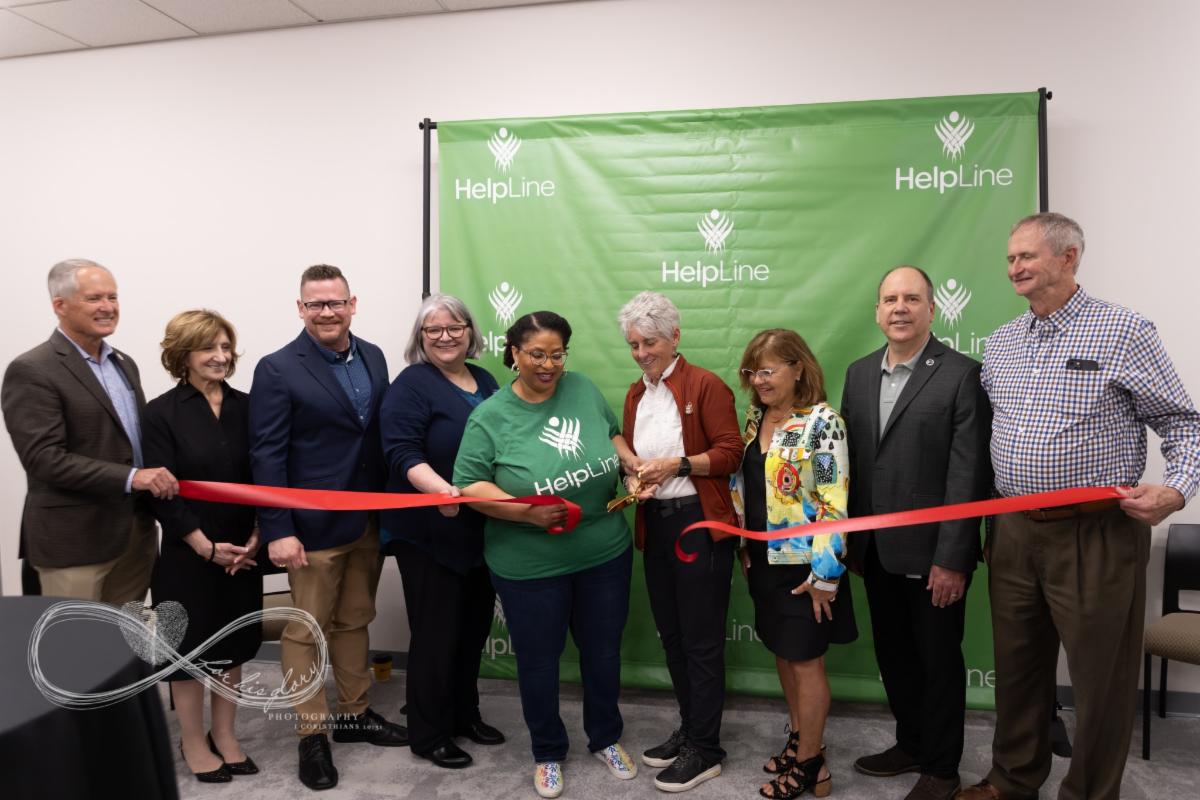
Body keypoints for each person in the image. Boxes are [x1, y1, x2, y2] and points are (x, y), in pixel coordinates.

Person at [957, 213, 1200, 800]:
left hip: (1097, 533)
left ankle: (1089, 793)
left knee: (1100, 681)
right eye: (1010, 258)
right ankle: (1014, 780)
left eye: (1027, 256)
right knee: (1018, 667)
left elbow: (1184, 424)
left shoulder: (1123, 330)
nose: (1014, 267)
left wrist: (1174, 491)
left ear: (1069, 257)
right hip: (1013, 529)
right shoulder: (1002, 342)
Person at [454, 311, 637, 800]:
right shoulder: (490, 416)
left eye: (557, 354)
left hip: (604, 553)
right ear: (513, 353)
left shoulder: (582, 388)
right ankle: (548, 751)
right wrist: (525, 513)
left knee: (603, 653)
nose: (549, 365)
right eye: (537, 354)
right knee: (538, 662)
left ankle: (606, 737)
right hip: (530, 565)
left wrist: (629, 462)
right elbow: (469, 486)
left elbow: (611, 432)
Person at [249, 264, 405, 792]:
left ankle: (354, 715)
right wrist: (278, 528)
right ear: (300, 309)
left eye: (335, 302)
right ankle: (311, 734)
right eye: (315, 304)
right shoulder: (277, 368)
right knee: (306, 630)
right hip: (310, 529)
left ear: (352, 304)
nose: (326, 312)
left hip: (366, 521)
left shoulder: (375, 356)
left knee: (355, 619)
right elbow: (267, 454)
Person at [841, 267, 992, 800]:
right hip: (876, 551)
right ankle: (911, 743)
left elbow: (968, 474)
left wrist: (953, 557)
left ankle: (942, 768)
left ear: (932, 309)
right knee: (895, 657)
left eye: (911, 298)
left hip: (934, 557)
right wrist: (851, 539)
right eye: (890, 299)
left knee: (938, 664)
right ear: (877, 311)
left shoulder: (962, 374)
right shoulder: (859, 373)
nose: (899, 308)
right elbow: (852, 462)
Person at [613, 291, 742, 793]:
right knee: (672, 636)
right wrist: (634, 481)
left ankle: (706, 749)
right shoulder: (635, 394)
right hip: (656, 523)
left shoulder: (705, 384)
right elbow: (634, 460)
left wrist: (679, 465)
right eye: (634, 344)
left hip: (698, 524)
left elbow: (730, 453)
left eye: (650, 342)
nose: (642, 352)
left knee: (701, 642)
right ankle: (691, 729)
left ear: (675, 337)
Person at [1, 258, 177, 604]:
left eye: (113, 297)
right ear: (60, 305)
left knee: (123, 635)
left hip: (135, 532)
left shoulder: (124, 363)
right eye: (94, 298)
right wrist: (133, 477)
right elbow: (44, 459)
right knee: (74, 637)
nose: (108, 307)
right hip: (75, 541)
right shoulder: (33, 369)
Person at [379, 294, 503, 770]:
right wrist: (440, 491)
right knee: (436, 634)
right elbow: (401, 451)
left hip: (479, 528)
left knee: (472, 629)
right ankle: (429, 733)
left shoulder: (486, 380)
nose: (445, 337)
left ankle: (464, 714)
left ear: (470, 332)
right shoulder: (412, 384)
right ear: (421, 337)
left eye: (455, 327)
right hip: (430, 530)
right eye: (433, 330)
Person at [730, 328, 853, 800]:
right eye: (752, 371)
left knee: (805, 662)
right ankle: (801, 740)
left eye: (768, 370)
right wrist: (744, 548)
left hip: (806, 568)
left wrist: (826, 575)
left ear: (798, 368)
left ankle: (812, 765)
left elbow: (833, 500)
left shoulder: (823, 423)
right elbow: (745, 488)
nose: (758, 380)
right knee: (783, 652)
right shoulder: (753, 420)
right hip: (764, 562)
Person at [142, 309, 263, 783]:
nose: (220, 356)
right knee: (188, 649)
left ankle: (225, 734)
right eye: (208, 347)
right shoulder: (160, 413)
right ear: (183, 354)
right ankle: (192, 740)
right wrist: (204, 546)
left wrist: (257, 535)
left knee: (234, 642)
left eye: (225, 346)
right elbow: (160, 492)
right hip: (187, 551)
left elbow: (266, 476)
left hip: (242, 551)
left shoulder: (249, 407)